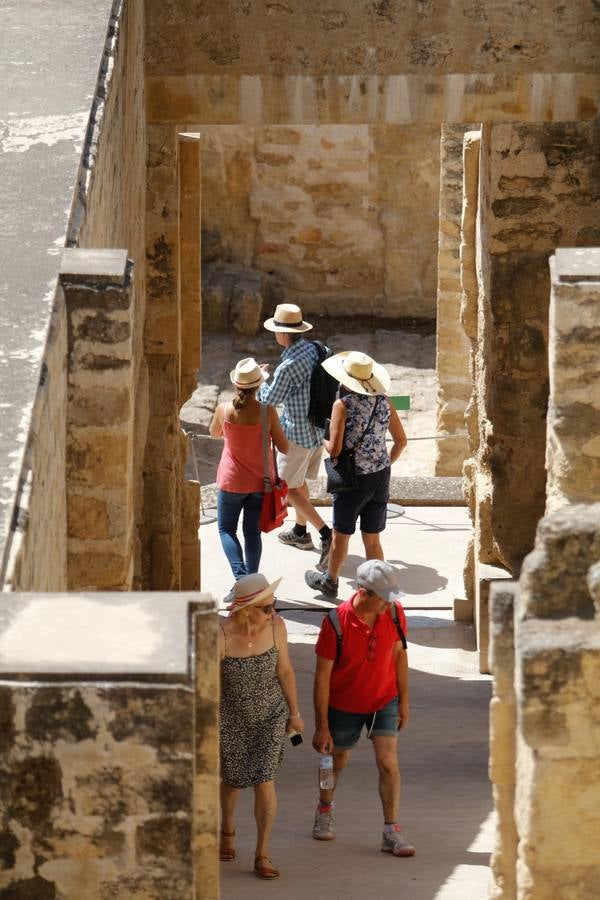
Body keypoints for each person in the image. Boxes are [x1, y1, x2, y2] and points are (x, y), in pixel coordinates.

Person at [311, 560, 414, 856]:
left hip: (384, 699)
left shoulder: (393, 613)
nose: (389, 603)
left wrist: (404, 700)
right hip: (344, 703)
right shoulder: (335, 623)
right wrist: (322, 725)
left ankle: (391, 831)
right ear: (364, 593)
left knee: (388, 762)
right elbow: (322, 678)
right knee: (334, 761)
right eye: (384, 596)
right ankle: (324, 807)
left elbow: (400, 656)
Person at [219, 573, 304, 879]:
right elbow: (207, 686)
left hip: (270, 714)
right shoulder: (221, 636)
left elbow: (285, 671)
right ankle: (226, 831)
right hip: (231, 717)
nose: (273, 612)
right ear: (245, 609)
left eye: (274, 605)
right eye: (267, 608)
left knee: (264, 780)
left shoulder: (276, 628)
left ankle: (262, 854)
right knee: (232, 781)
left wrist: (294, 713)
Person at [304, 351, 407, 598]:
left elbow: (336, 448)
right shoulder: (385, 402)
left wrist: (324, 439)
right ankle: (379, 586)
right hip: (380, 475)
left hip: (352, 479)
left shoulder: (342, 405)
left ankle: (330, 581)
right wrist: (384, 464)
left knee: (341, 535)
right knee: (372, 539)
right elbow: (401, 442)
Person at [258, 303, 333, 571]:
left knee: (286, 487)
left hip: (297, 437)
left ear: (281, 334)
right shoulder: (316, 349)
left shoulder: (288, 365)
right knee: (299, 484)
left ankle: (326, 534)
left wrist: (260, 378)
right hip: (317, 431)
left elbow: (269, 400)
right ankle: (300, 533)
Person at [210, 358, 288, 580]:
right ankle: (251, 581)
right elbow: (284, 447)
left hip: (231, 481)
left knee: (226, 530)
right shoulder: (268, 412)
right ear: (258, 386)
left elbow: (215, 433)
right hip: (260, 483)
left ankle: (240, 578)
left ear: (236, 384)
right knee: (252, 533)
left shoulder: (223, 410)